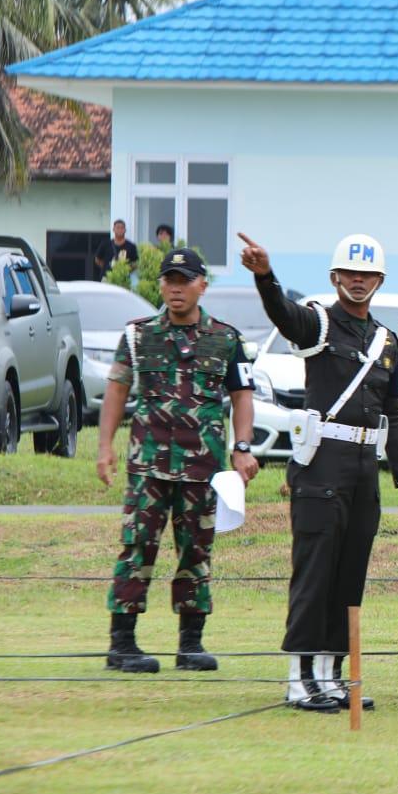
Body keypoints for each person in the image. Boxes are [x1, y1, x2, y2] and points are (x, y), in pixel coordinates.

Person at [240, 232, 398, 713]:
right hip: (320, 463)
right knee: (315, 573)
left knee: (350, 574)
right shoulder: (318, 323)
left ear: (379, 280)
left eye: (367, 274)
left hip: (364, 467)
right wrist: (265, 276)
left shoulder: (386, 339)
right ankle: (299, 677)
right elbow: (284, 314)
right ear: (335, 278)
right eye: (350, 273)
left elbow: (396, 412)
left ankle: (331, 673)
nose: (358, 281)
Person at [95, 247, 259, 674]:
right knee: (137, 547)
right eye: (169, 279)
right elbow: (116, 390)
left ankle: (190, 644)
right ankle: (122, 643)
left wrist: (243, 449)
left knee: (197, 552)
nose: (175, 288)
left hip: (202, 468)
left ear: (202, 285)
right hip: (148, 465)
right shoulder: (137, 335)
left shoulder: (226, 338)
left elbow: (242, 397)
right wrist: (104, 446)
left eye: (184, 280)